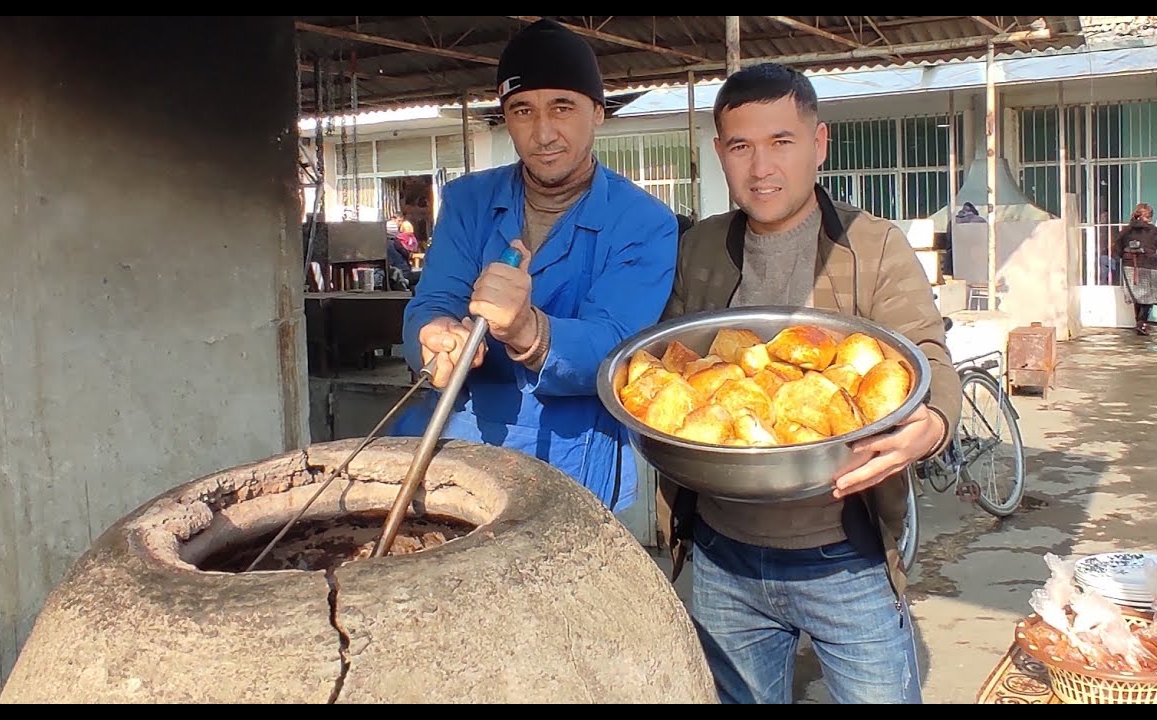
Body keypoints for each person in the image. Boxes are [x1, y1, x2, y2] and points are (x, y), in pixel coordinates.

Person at [656, 63, 963, 704]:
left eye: (781, 142)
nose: (761, 167)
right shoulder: (701, 248)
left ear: (818, 145)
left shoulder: (874, 246)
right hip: (722, 553)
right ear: (720, 154)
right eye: (741, 147)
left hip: (843, 555)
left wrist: (930, 424)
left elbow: (927, 356)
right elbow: (666, 363)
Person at [391, 18, 679, 513]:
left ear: (597, 112)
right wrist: (433, 336)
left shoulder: (643, 222)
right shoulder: (468, 201)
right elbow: (433, 300)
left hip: (574, 459)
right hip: (457, 445)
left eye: (562, 108)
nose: (543, 133)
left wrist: (529, 330)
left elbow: (619, 348)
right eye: (522, 110)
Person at [1115, 202, 1157, 335]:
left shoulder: (1126, 230)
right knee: (1148, 296)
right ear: (1149, 216)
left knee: (1136, 295)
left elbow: (1117, 248)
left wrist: (1125, 256)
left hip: (1129, 265)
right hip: (1149, 264)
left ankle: (1139, 323)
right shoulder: (1152, 230)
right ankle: (1142, 323)